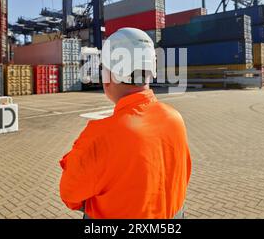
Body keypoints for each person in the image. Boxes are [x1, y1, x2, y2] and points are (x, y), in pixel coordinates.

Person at [59, 28, 192, 219]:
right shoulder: (175, 119)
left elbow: (70, 194)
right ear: (150, 70)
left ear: (107, 76)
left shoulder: (99, 137)